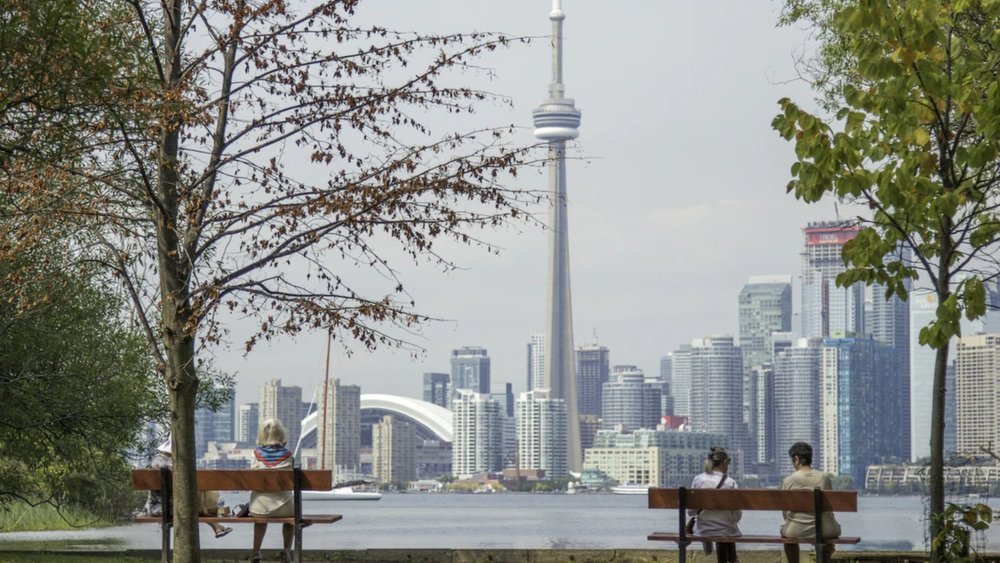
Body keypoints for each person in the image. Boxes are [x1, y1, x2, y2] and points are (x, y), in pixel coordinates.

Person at [143, 437, 233, 539]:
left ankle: (217, 527)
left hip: (153, 508)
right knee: (194, 507)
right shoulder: (177, 466)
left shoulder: (155, 462)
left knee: (194, 506)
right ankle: (218, 525)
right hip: (172, 509)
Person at [780, 442, 842, 563]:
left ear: (796, 459)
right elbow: (829, 507)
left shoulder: (789, 480)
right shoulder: (824, 478)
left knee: (787, 537)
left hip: (796, 529)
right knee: (829, 536)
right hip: (825, 529)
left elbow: (784, 512)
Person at [249, 419, 295, 563]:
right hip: (285, 507)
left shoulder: (255, 455)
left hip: (259, 508)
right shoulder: (288, 456)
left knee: (261, 516)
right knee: (290, 520)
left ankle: (256, 552)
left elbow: (253, 483)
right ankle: (286, 551)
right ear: (281, 435)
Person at [689, 446, 741, 563]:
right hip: (726, 530)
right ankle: (732, 560)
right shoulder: (730, 483)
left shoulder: (698, 480)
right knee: (727, 531)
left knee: (725, 532)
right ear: (724, 462)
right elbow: (736, 516)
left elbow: (691, 511)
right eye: (728, 463)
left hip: (703, 529)